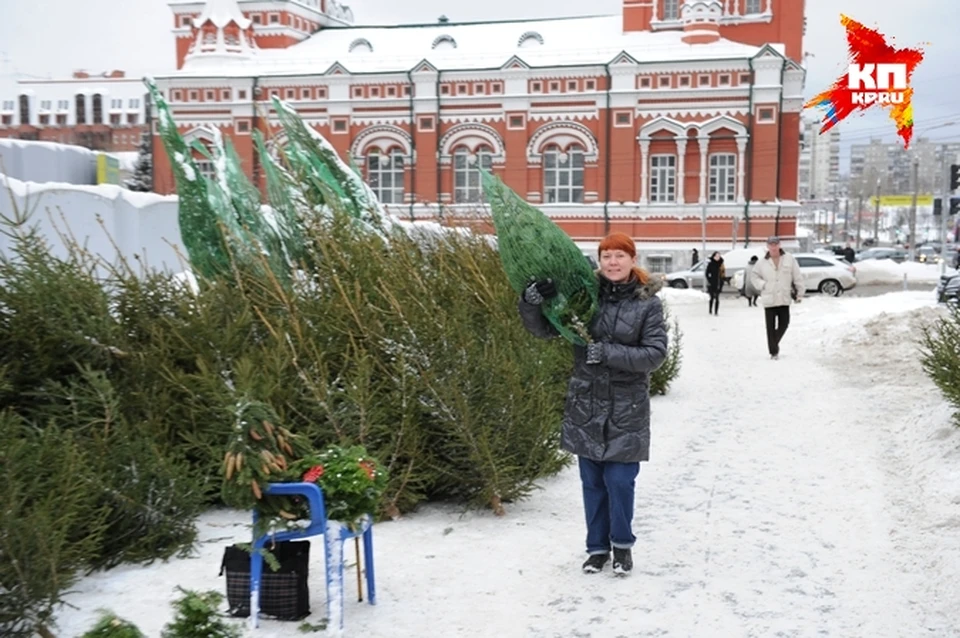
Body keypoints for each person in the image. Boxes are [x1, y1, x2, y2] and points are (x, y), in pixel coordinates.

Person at [517, 232, 668, 576]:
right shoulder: (585, 296)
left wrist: (609, 353)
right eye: (606, 256)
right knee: (592, 481)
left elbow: (655, 354)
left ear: (633, 259)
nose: (612, 262)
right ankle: (597, 549)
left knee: (619, 479)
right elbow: (547, 329)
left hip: (625, 405)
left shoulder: (647, 304)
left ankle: (622, 546)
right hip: (587, 401)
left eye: (620, 256)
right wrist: (532, 303)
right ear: (599, 261)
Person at [750, 236, 805, 360]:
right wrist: (762, 285)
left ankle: (774, 342)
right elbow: (754, 276)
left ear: (779, 245)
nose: (773, 247)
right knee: (770, 326)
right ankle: (773, 352)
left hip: (784, 297)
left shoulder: (789, 259)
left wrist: (800, 291)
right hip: (769, 297)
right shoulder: (762, 262)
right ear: (767, 246)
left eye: (775, 244)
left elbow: (797, 275)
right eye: (771, 245)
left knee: (784, 323)